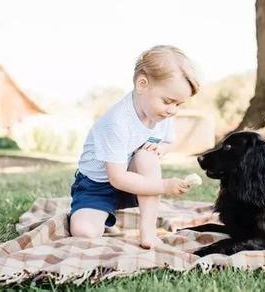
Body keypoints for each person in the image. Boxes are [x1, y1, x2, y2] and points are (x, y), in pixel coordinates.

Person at [69, 45, 200, 249]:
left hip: (134, 182)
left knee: (147, 156)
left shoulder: (161, 114)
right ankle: (98, 214)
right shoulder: (117, 122)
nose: (172, 110)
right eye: (168, 101)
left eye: (178, 104)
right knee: (85, 233)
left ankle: (148, 233)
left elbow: (167, 141)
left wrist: (160, 150)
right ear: (142, 84)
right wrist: (164, 186)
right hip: (97, 186)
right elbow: (117, 178)